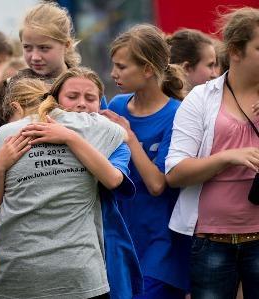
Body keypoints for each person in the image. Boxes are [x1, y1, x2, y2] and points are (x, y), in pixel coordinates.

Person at [0, 3, 83, 298]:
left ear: (66, 45)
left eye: (44, 48)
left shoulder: (79, 88)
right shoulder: (13, 84)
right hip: (7, 198)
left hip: (62, 203)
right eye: (28, 47)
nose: (34, 56)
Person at [0, 74, 126, 299]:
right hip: (68, 276)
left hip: (21, 275)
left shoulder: (5, 134)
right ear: (54, 99)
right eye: (73, 96)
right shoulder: (97, 127)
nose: (81, 103)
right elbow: (122, 133)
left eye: (90, 97)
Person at [165, 7, 259, 299]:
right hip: (211, 242)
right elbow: (175, 173)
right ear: (235, 50)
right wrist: (227, 156)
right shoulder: (201, 98)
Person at [107, 24, 191, 298]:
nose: (113, 74)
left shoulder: (178, 114)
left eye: (121, 67)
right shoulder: (117, 105)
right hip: (120, 236)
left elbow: (157, 184)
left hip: (160, 244)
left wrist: (129, 137)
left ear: (147, 70)